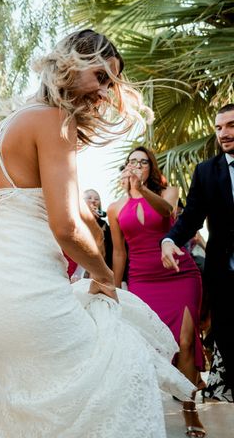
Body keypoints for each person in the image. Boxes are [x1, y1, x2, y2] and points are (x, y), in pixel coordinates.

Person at [0, 29, 195, 437]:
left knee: (37, 421)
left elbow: (72, 210)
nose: (106, 93)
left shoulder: (11, 126)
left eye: (112, 83)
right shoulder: (54, 121)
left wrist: (94, 240)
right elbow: (65, 226)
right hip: (22, 294)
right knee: (123, 369)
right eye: (102, 77)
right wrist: (103, 276)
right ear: (70, 65)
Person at [108, 146, 205, 437]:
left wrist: (141, 190)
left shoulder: (168, 193)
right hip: (142, 281)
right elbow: (119, 254)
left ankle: (191, 412)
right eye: (132, 162)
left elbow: (167, 213)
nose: (137, 166)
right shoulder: (114, 208)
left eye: (143, 162)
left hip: (180, 274)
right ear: (125, 167)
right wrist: (114, 291)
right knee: (146, 349)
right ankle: (145, 411)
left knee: (186, 342)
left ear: (151, 168)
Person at [162, 103, 234, 405]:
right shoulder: (206, 172)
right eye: (218, 128)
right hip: (224, 271)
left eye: (230, 125)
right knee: (227, 335)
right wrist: (169, 239)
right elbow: (191, 217)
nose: (224, 133)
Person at [83, 188, 112, 269]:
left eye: (96, 199)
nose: (93, 201)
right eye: (89, 198)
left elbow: (109, 250)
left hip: (99, 265)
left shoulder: (104, 225)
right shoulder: (77, 221)